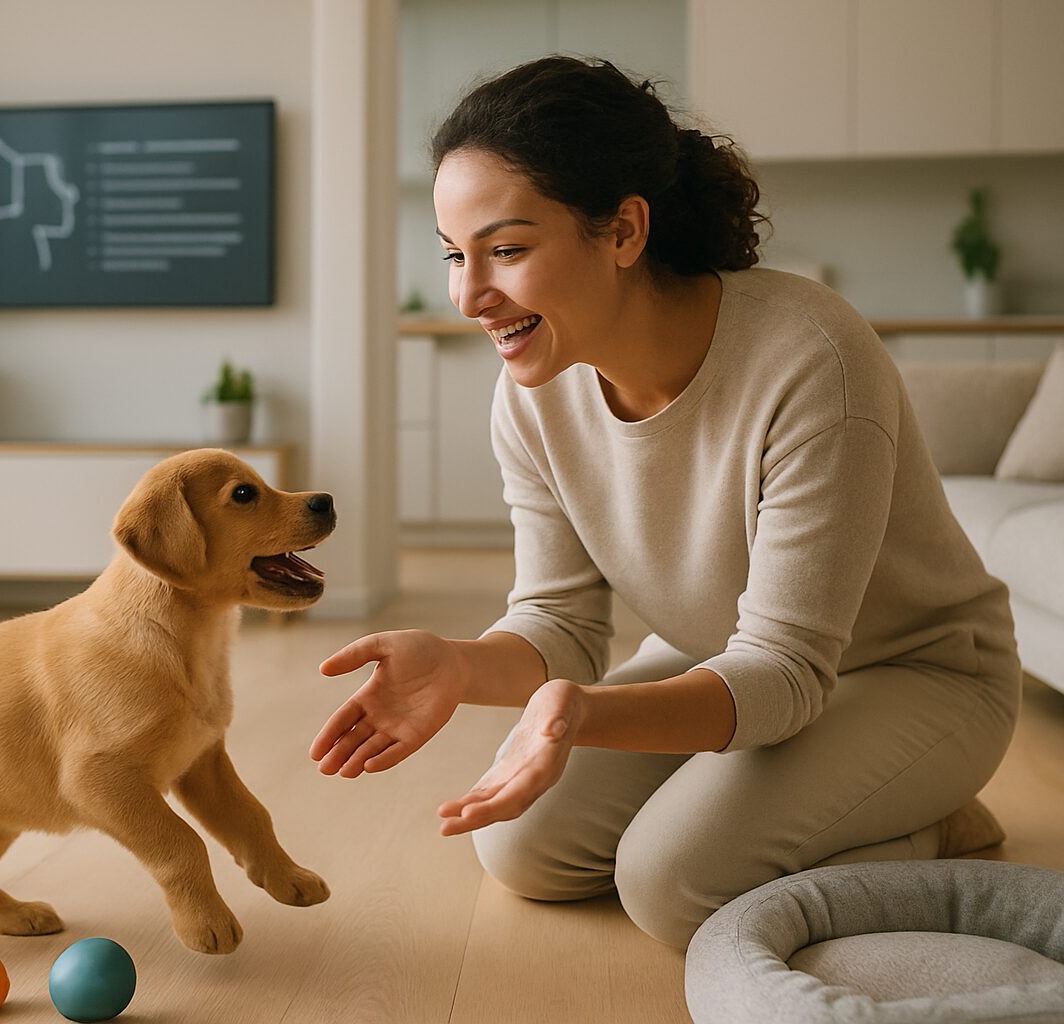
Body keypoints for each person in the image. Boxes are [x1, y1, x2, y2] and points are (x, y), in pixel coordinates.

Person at [309, 56, 1021, 949]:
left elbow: (788, 670)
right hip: (719, 661)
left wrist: (585, 715)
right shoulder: (533, 394)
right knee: (521, 846)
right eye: (457, 255)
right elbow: (560, 624)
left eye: (509, 249)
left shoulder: (810, 358)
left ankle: (929, 822)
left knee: (675, 882)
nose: (468, 294)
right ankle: (823, 813)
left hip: (919, 675)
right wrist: (459, 666)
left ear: (624, 231)